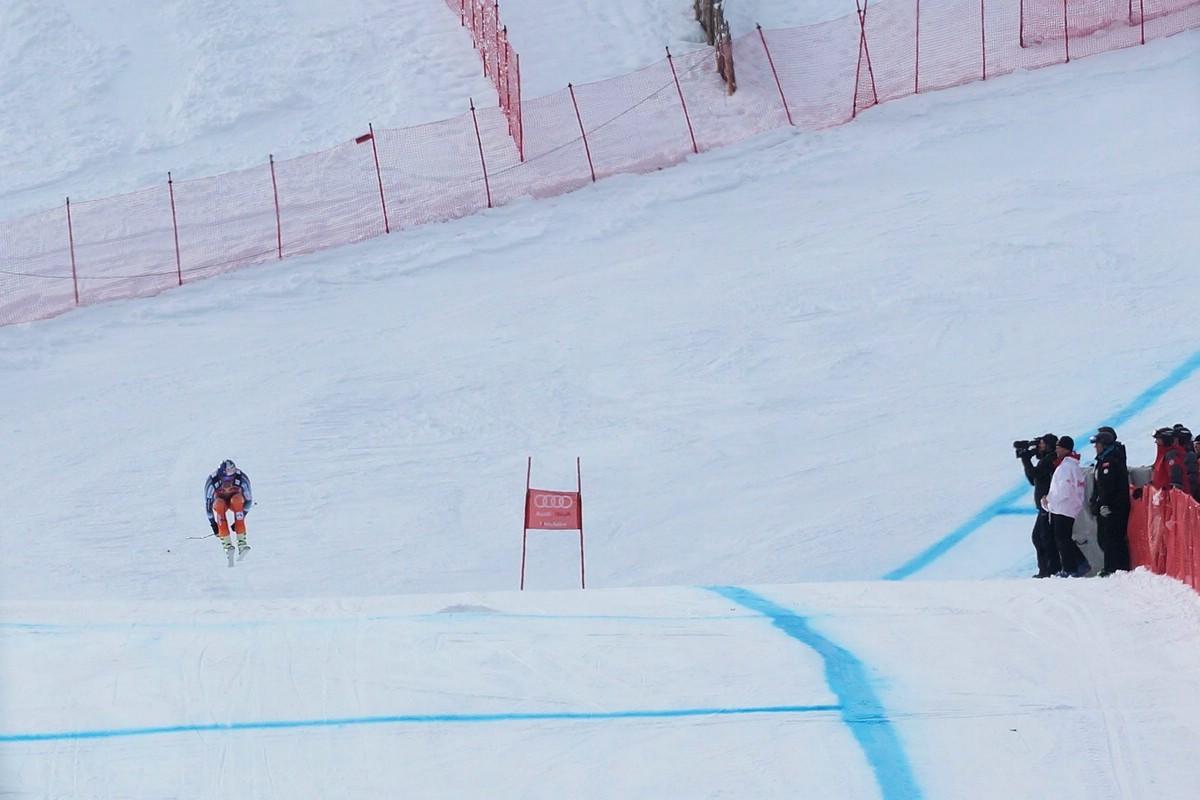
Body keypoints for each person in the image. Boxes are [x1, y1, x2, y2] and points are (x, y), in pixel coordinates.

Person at [1042, 435, 1089, 577]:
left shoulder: (1066, 467)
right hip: (1066, 506)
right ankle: (1078, 564)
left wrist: (1049, 500)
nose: (1056, 450)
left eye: (1059, 447)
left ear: (1065, 449)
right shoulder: (1070, 465)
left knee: (1062, 538)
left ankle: (1071, 568)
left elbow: (1064, 490)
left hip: (1064, 506)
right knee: (1063, 537)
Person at [1089, 427, 1131, 574]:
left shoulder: (1110, 461)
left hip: (1114, 507)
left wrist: (1106, 504)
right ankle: (1113, 566)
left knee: (1112, 537)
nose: (1095, 447)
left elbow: (1108, 485)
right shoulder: (1104, 460)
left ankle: (1114, 567)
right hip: (1107, 506)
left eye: (1098, 444)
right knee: (1105, 538)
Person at [1020, 433, 1061, 578]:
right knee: (1041, 537)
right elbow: (1033, 479)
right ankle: (1046, 569)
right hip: (1044, 505)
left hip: (1048, 505)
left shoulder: (1050, 460)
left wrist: (1026, 458)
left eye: (1042, 444)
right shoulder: (1046, 459)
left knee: (1043, 537)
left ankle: (1049, 569)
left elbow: (1034, 473)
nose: (1039, 446)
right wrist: (1026, 459)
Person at [205, 459, 253, 556]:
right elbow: (208, 506)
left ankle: (242, 542)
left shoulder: (241, 479)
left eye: (230, 479)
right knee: (219, 504)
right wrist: (214, 525)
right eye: (224, 479)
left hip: (235, 501)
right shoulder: (212, 482)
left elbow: (248, 501)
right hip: (219, 502)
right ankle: (227, 544)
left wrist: (241, 517)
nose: (227, 482)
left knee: (237, 500)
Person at [1149, 428, 1189, 494]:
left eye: (1158, 439)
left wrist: (1174, 495)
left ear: (1165, 439)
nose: (1156, 442)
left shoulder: (1172, 455)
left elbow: (1176, 479)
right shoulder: (1163, 455)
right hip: (1161, 496)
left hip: (1168, 498)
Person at [1172, 425, 1200, 502]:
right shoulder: (1179, 454)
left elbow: (1191, 478)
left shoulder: (1189, 456)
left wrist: (1190, 498)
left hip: (1190, 498)